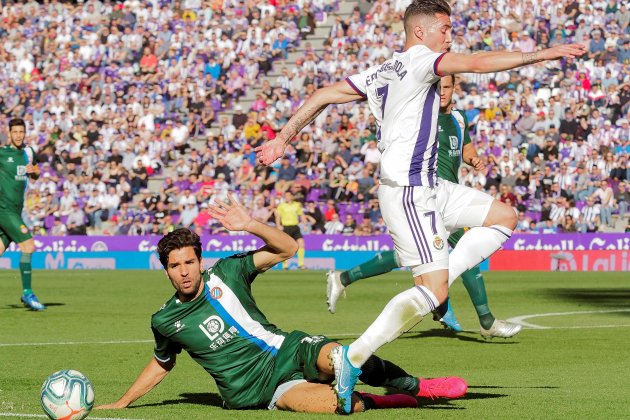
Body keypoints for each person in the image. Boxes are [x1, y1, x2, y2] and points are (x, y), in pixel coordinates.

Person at [256, 0, 585, 412]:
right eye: (445, 29)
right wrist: (542, 54)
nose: (450, 36)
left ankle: (443, 271)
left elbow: (324, 93)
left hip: (432, 185)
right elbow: (479, 63)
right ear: (420, 32)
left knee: (503, 216)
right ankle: (352, 358)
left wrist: (283, 137)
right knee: (432, 292)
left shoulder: (382, 70)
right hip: (409, 191)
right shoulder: (419, 62)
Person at [96, 197, 467, 414]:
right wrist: (123, 401)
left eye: (189, 262)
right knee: (343, 407)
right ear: (166, 272)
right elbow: (163, 363)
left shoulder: (227, 272)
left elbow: (287, 248)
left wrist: (251, 224)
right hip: (253, 394)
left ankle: (418, 386)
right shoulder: (164, 319)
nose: (184, 272)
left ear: (200, 260)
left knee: (341, 358)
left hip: (287, 351)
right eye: (175, 266)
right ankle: (395, 401)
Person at [326, 75, 522, 339]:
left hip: (449, 197)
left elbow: (464, 148)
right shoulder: (420, 115)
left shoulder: (460, 119)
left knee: (407, 257)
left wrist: (474, 158)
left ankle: (344, 278)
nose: (442, 92)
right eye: (437, 87)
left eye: (447, 87)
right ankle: (484, 320)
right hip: (425, 197)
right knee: (467, 257)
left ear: (455, 89)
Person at [0, 118, 45, 311]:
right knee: (28, 245)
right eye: (15, 132)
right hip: (4, 209)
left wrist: (34, 171)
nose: (18, 135)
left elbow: (36, 173)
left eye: (21, 132)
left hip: (16, 209)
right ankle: (27, 293)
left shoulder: (28, 152)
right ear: (9, 133)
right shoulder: (2, 153)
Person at [274, 191, 307, 269]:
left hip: (295, 227)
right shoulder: (281, 206)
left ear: (292, 196)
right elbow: (278, 216)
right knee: (285, 247)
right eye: (286, 196)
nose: (287, 197)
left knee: (301, 243)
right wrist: (278, 225)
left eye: (289, 195)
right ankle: (285, 265)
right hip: (286, 227)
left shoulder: (297, 205)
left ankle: (300, 264)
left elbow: (301, 215)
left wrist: (305, 224)